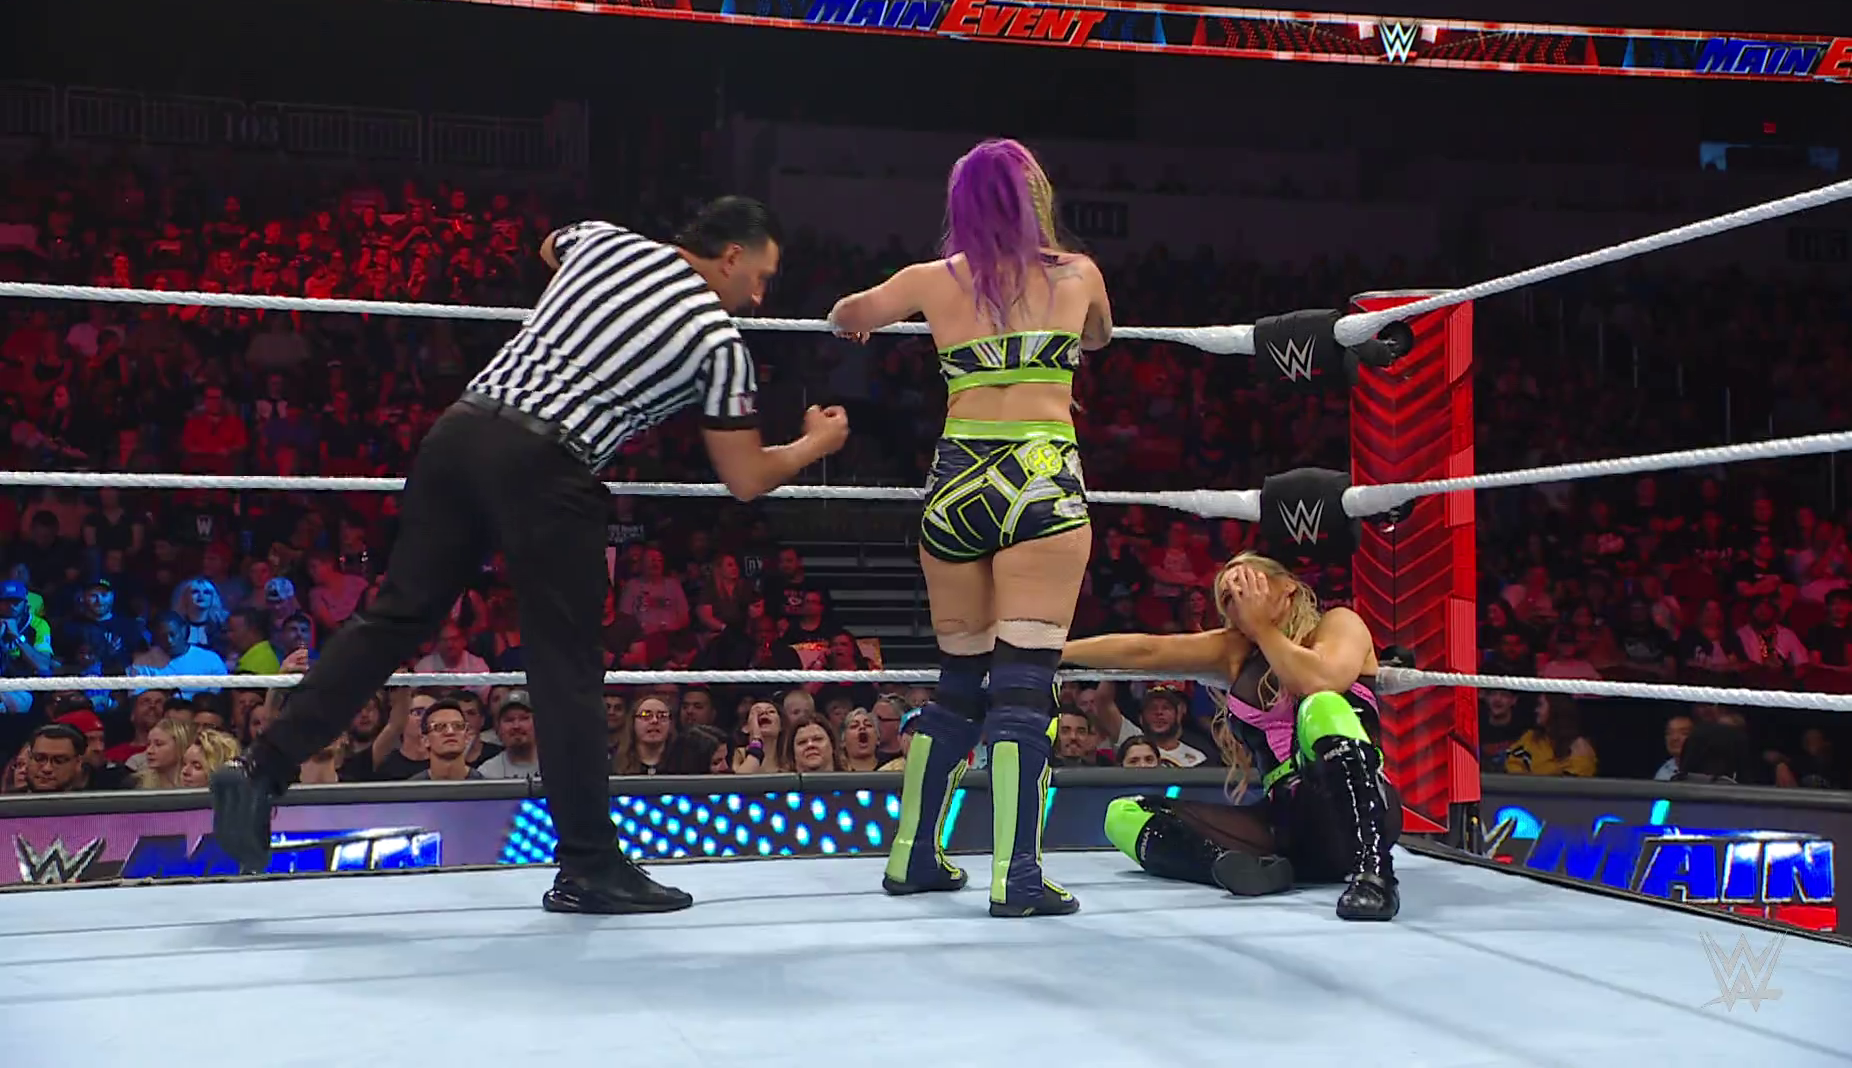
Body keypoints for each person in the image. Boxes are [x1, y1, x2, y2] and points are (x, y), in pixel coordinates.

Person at [213, 197, 850, 915]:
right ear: (730, 255)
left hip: (461, 432)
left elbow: (550, 247)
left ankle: (263, 764)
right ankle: (588, 865)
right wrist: (814, 445)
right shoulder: (717, 338)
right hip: (549, 466)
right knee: (566, 667)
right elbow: (745, 478)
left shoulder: (607, 241)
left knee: (395, 617)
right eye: (760, 276)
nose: (759, 296)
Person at [829, 138, 1111, 917]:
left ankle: (912, 856)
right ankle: (1016, 876)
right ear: (1034, 198)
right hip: (1041, 476)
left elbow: (846, 314)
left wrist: (860, 322)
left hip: (956, 485)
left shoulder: (931, 280)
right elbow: (1098, 336)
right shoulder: (1077, 274)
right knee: (1025, 686)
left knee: (958, 684)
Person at [1060, 552, 1402, 921]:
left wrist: (1263, 629)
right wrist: (1051, 653)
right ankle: (1229, 867)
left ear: (1288, 586)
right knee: (1123, 815)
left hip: (1357, 816)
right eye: (1228, 597)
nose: (1239, 599)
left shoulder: (1339, 625)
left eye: (1249, 585)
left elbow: (1318, 680)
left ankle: (1376, 876)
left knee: (1321, 705)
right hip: (1287, 828)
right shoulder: (1236, 651)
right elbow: (1147, 649)